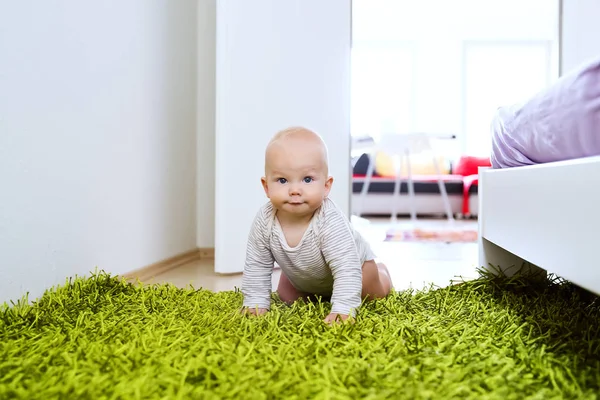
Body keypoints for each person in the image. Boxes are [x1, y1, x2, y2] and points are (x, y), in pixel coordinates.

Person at [241, 126, 393, 323]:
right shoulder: (265, 220)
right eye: (282, 180)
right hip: (305, 273)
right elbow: (257, 264)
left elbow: (346, 268)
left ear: (326, 186)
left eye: (307, 179)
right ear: (266, 186)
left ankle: (383, 272)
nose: (295, 190)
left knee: (371, 294)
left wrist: (343, 310)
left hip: (357, 267)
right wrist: (255, 303)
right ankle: (323, 292)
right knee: (287, 297)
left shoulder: (329, 220)